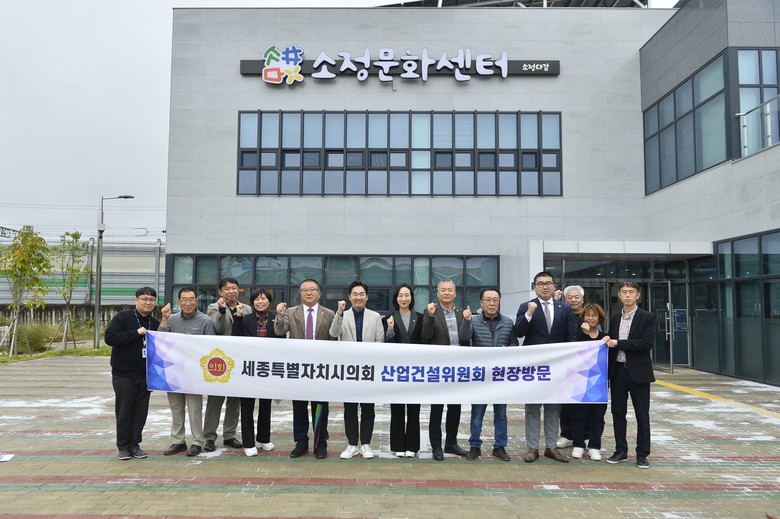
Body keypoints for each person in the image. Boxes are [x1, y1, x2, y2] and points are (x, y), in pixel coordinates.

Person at [513, 271, 579, 463]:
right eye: (540, 283)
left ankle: (551, 447)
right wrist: (529, 314)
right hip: (534, 367)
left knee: (553, 407)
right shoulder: (526, 306)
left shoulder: (564, 308)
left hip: (557, 368)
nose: (544, 286)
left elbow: (572, 336)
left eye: (548, 283)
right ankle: (532, 447)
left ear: (554, 286)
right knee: (532, 407)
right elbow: (518, 332)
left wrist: (567, 360)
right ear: (534, 287)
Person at [274, 278, 336, 459]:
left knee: (320, 408)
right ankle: (301, 443)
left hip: (320, 369)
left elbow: (334, 339)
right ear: (300, 293)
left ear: (319, 293)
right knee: (299, 408)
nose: (308, 293)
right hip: (299, 368)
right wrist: (279, 316)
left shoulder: (329, 314)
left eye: (312, 290)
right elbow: (279, 331)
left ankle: (320, 444)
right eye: (304, 290)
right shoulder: (291, 312)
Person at [458, 287, 519, 462]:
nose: (492, 303)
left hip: (500, 376)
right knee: (477, 414)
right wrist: (466, 321)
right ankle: (475, 446)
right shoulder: (473, 320)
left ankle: (500, 446)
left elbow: (514, 345)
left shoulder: (507, 322)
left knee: (501, 414)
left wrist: (508, 351)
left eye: (495, 300)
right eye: (488, 300)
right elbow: (464, 338)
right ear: (481, 302)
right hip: (481, 376)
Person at [329, 281, 385, 460]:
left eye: (362, 294)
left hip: (368, 370)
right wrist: (339, 314)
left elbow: (380, 342)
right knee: (350, 408)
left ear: (366, 297)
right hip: (349, 370)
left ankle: (366, 444)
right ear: (349, 296)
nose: (358, 297)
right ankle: (352, 444)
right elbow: (333, 333)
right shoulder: (342, 315)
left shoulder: (375, 317)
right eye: (355, 294)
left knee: (368, 409)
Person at [158, 287, 216, 457]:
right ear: (179, 302)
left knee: (194, 410)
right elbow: (161, 339)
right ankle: (178, 441)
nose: (188, 303)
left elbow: (211, 347)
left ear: (196, 301)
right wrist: (164, 318)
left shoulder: (205, 320)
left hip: (193, 373)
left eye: (191, 299)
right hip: (173, 371)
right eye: (184, 299)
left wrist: (195, 343)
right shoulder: (172, 319)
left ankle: (197, 442)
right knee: (176, 408)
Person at [605, 281, 657, 469]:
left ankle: (642, 454)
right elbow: (610, 342)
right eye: (624, 292)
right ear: (619, 295)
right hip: (618, 371)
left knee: (642, 414)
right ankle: (621, 450)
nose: (627, 295)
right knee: (618, 413)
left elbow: (645, 343)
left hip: (639, 372)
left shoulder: (648, 317)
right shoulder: (614, 319)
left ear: (638, 295)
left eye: (631, 292)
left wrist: (618, 343)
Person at [105, 287, 160, 460]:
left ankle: (135, 445)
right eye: (144, 299)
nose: (148, 302)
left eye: (151, 299)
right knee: (124, 411)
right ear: (136, 300)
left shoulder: (155, 323)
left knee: (140, 412)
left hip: (145, 375)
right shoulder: (123, 317)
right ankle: (123, 446)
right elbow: (110, 338)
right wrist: (135, 333)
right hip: (124, 374)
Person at [421, 279, 469, 461]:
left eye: (450, 290)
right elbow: (426, 335)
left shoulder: (461, 312)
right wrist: (430, 316)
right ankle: (436, 446)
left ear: (455, 293)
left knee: (455, 407)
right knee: (437, 408)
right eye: (443, 290)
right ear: (438, 293)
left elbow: (466, 339)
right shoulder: (431, 311)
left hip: (457, 368)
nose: (447, 293)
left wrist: (468, 320)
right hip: (439, 368)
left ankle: (451, 443)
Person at [232, 287, 279, 457]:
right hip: (249, 369)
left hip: (268, 368)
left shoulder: (276, 317)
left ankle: (263, 438)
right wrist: (237, 317)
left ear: (269, 301)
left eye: (263, 298)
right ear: (252, 302)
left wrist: (281, 316)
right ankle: (249, 443)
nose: (260, 302)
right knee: (247, 406)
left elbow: (281, 338)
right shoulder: (245, 319)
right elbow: (235, 339)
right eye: (257, 299)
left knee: (266, 405)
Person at [203, 278, 245, 452]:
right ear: (220, 292)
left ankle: (229, 435)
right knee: (215, 400)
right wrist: (222, 310)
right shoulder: (213, 307)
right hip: (220, 360)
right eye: (227, 289)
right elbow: (218, 328)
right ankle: (209, 437)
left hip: (239, 359)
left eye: (234, 288)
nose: (231, 291)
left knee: (234, 401)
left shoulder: (246, 308)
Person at [383, 284, 424, 458]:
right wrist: (390, 329)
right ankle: (398, 445)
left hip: (415, 370)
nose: (404, 299)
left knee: (414, 409)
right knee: (397, 409)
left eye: (407, 295)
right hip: (397, 370)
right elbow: (386, 346)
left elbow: (425, 341)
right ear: (396, 298)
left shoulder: (420, 318)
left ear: (411, 298)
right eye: (400, 295)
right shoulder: (388, 318)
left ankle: (412, 446)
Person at [570, 303, 610, 461]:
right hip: (580, 382)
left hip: (599, 384)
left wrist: (608, 341)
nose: (591, 318)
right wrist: (584, 334)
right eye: (587, 315)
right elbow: (573, 351)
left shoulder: (605, 337)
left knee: (597, 416)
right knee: (578, 415)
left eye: (594, 315)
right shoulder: (577, 335)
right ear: (583, 317)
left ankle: (594, 446)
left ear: (600, 318)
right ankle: (578, 444)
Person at [557, 284, 585, 449]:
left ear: (582, 299)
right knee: (565, 402)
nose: (573, 300)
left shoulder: (589, 315)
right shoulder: (561, 314)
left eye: (577, 297)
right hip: (565, 365)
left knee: (585, 402)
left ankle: (586, 435)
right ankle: (567, 435)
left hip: (585, 366)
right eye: (570, 297)